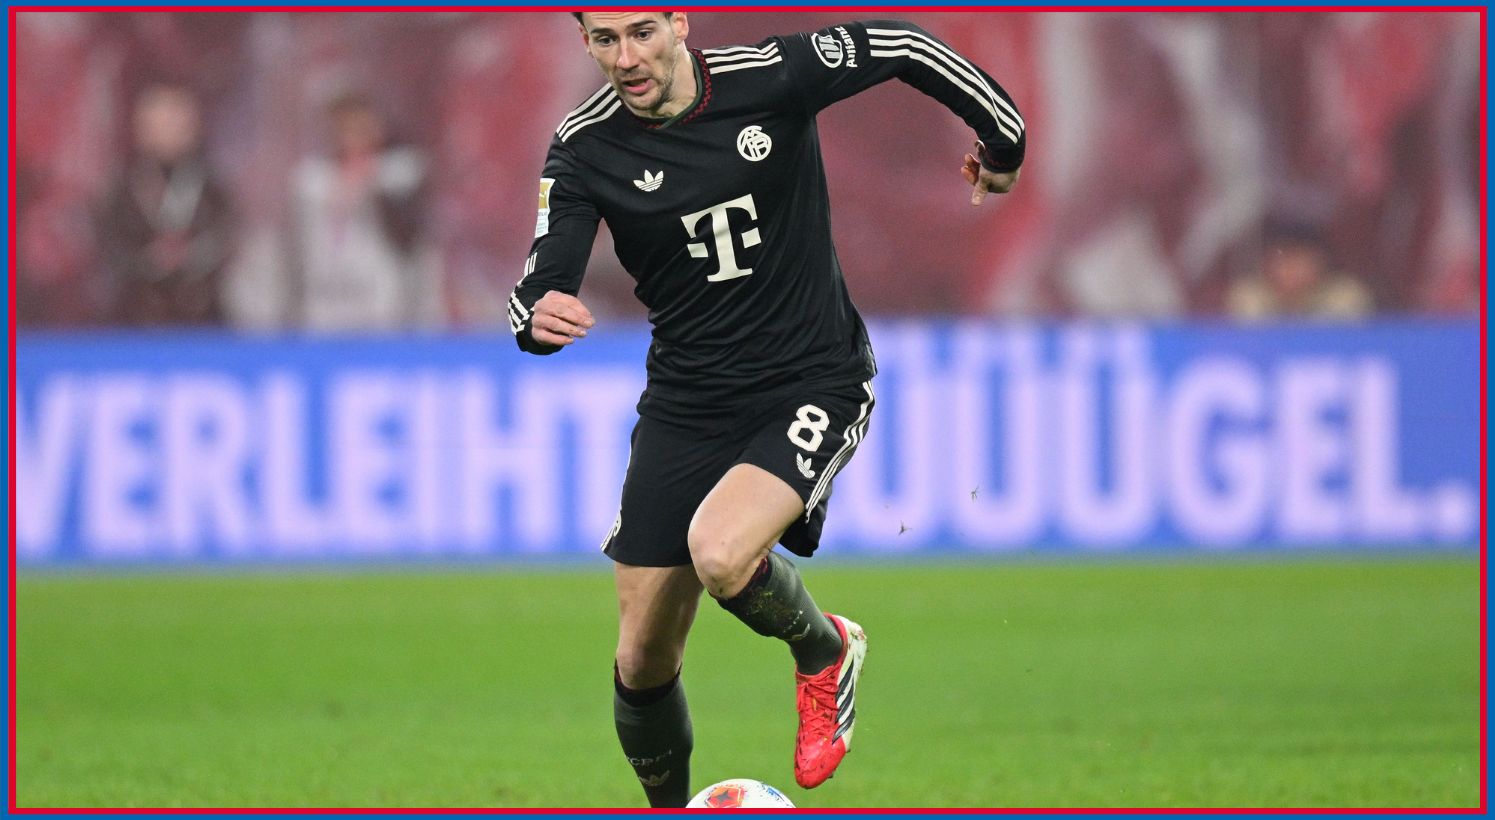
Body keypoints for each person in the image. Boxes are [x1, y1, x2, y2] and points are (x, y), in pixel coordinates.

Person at [507, 11, 1024, 807]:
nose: (626, 56)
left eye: (642, 32)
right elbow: (540, 281)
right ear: (585, 43)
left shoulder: (769, 77)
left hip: (810, 379)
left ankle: (824, 651)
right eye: (604, 39)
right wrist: (536, 316)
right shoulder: (583, 147)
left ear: (679, 23)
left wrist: (1003, 144)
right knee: (640, 660)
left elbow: (900, 46)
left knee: (719, 554)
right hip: (686, 402)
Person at [286, 92, 439, 330]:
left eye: (363, 128)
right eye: (347, 129)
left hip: (375, 284)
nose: (355, 137)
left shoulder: (396, 171)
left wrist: (364, 176)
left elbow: (408, 172)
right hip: (326, 283)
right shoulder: (313, 177)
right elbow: (312, 188)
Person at [96, 83, 236, 326]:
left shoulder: (213, 190)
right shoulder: (122, 190)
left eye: (176, 122)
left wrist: (189, 259)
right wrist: (150, 262)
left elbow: (224, 240)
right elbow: (111, 247)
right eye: (158, 123)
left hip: (201, 316)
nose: (168, 130)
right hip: (135, 318)